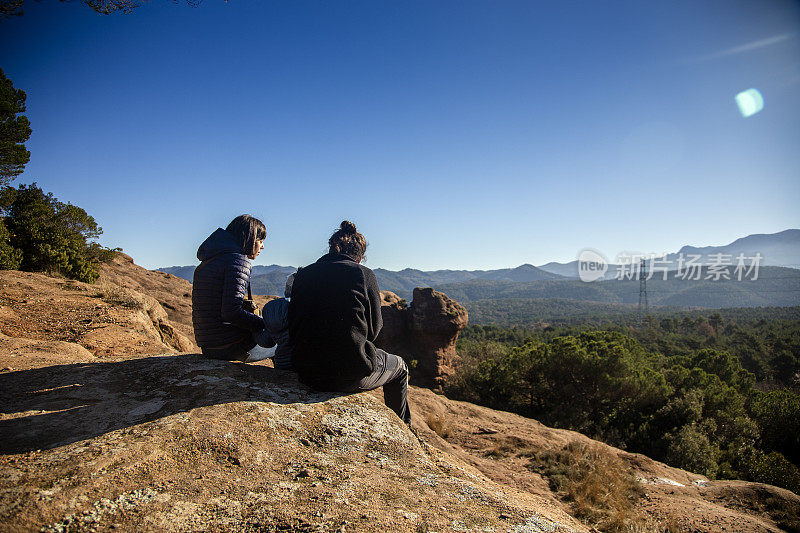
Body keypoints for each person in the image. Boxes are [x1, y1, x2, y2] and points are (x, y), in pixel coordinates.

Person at [288, 221, 411, 424]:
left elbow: (293, 324)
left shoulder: (303, 275)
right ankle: (406, 432)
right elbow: (374, 329)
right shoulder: (363, 274)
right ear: (360, 256)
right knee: (400, 367)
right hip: (348, 374)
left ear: (331, 248)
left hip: (306, 372)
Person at [192, 214, 274, 362]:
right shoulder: (239, 261)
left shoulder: (209, 261)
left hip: (209, 347)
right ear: (249, 239)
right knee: (285, 341)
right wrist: (265, 324)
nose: (262, 246)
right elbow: (231, 312)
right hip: (231, 347)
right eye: (260, 241)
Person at [254, 273, 295, 370]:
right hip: (307, 365)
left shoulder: (274, 310)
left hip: (284, 364)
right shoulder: (314, 309)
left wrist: (255, 327)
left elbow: (266, 342)